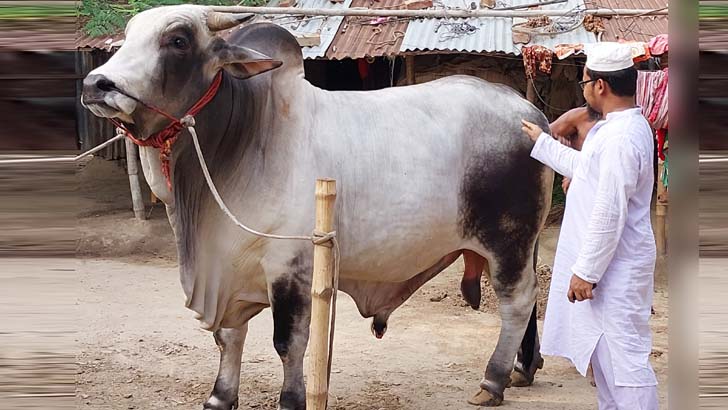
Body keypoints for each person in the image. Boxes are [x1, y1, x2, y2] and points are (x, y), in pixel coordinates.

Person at [521, 42, 659, 410]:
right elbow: (587, 171)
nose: (582, 89)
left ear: (600, 86)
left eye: (584, 81)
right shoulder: (616, 130)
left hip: (614, 271)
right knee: (606, 365)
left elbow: (609, 209)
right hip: (608, 271)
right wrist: (542, 142)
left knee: (626, 365)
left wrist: (586, 272)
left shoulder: (620, 138)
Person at [549, 106, 601, 194]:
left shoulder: (626, 125)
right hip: (580, 189)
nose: (584, 91)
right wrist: (563, 151)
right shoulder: (579, 116)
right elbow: (545, 136)